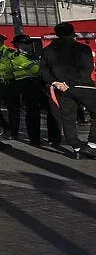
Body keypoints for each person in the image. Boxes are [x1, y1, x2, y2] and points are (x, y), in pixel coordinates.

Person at [40, 21, 95, 159]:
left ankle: (76, 146)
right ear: (73, 33)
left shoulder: (48, 51)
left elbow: (43, 71)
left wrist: (56, 82)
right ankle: (92, 145)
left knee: (68, 117)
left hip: (61, 88)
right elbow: (87, 68)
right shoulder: (82, 49)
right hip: (82, 86)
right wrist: (70, 83)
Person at [9, 34, 59, 147]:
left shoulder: (34, 55)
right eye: (24, 44)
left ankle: (54, 138)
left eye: (28, 43)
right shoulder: (17, 57)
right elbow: (37, 69)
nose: (27, 46)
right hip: (27, 85)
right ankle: (34, 139)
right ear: (17, 45)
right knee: (33, 113)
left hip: (39, 84)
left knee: (52, 110)